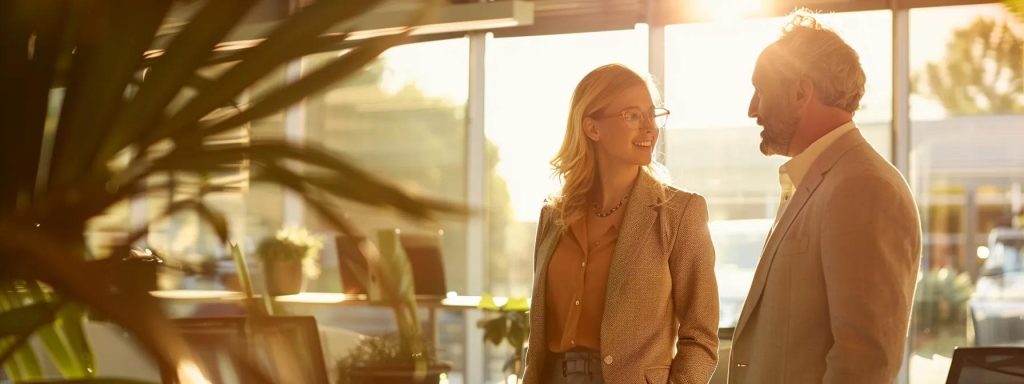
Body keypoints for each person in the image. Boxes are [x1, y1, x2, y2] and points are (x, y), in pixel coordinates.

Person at [728, 10, 922, 384]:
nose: (752, 109)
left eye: (761, 90)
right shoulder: (818, 182)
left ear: (801, 93)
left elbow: (863, 362)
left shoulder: (863, 187)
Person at [522, 63, 719, 384]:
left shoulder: (680, 212)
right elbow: (540, 332)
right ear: (592, 128)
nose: (650, 128)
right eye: (632, 115)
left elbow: (701, 334)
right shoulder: (553, 215)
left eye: (652, 114)